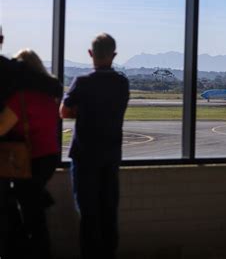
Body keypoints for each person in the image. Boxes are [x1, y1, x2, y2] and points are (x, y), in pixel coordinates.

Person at [60, 33, 129, 259]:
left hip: (85, 155)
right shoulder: (122, 82)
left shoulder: (82, 82)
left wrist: (83, 110)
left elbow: (64, 111)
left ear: (90, 54)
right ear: (114, 55)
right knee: (109, 213)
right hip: (111, 155)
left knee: (89, 215)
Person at [0, 28, 62, 258]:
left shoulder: (19, 98)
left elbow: (1, 128)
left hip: (29, 158)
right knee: (31, 203)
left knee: (28, 210)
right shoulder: (49, 95)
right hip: (49, 155)